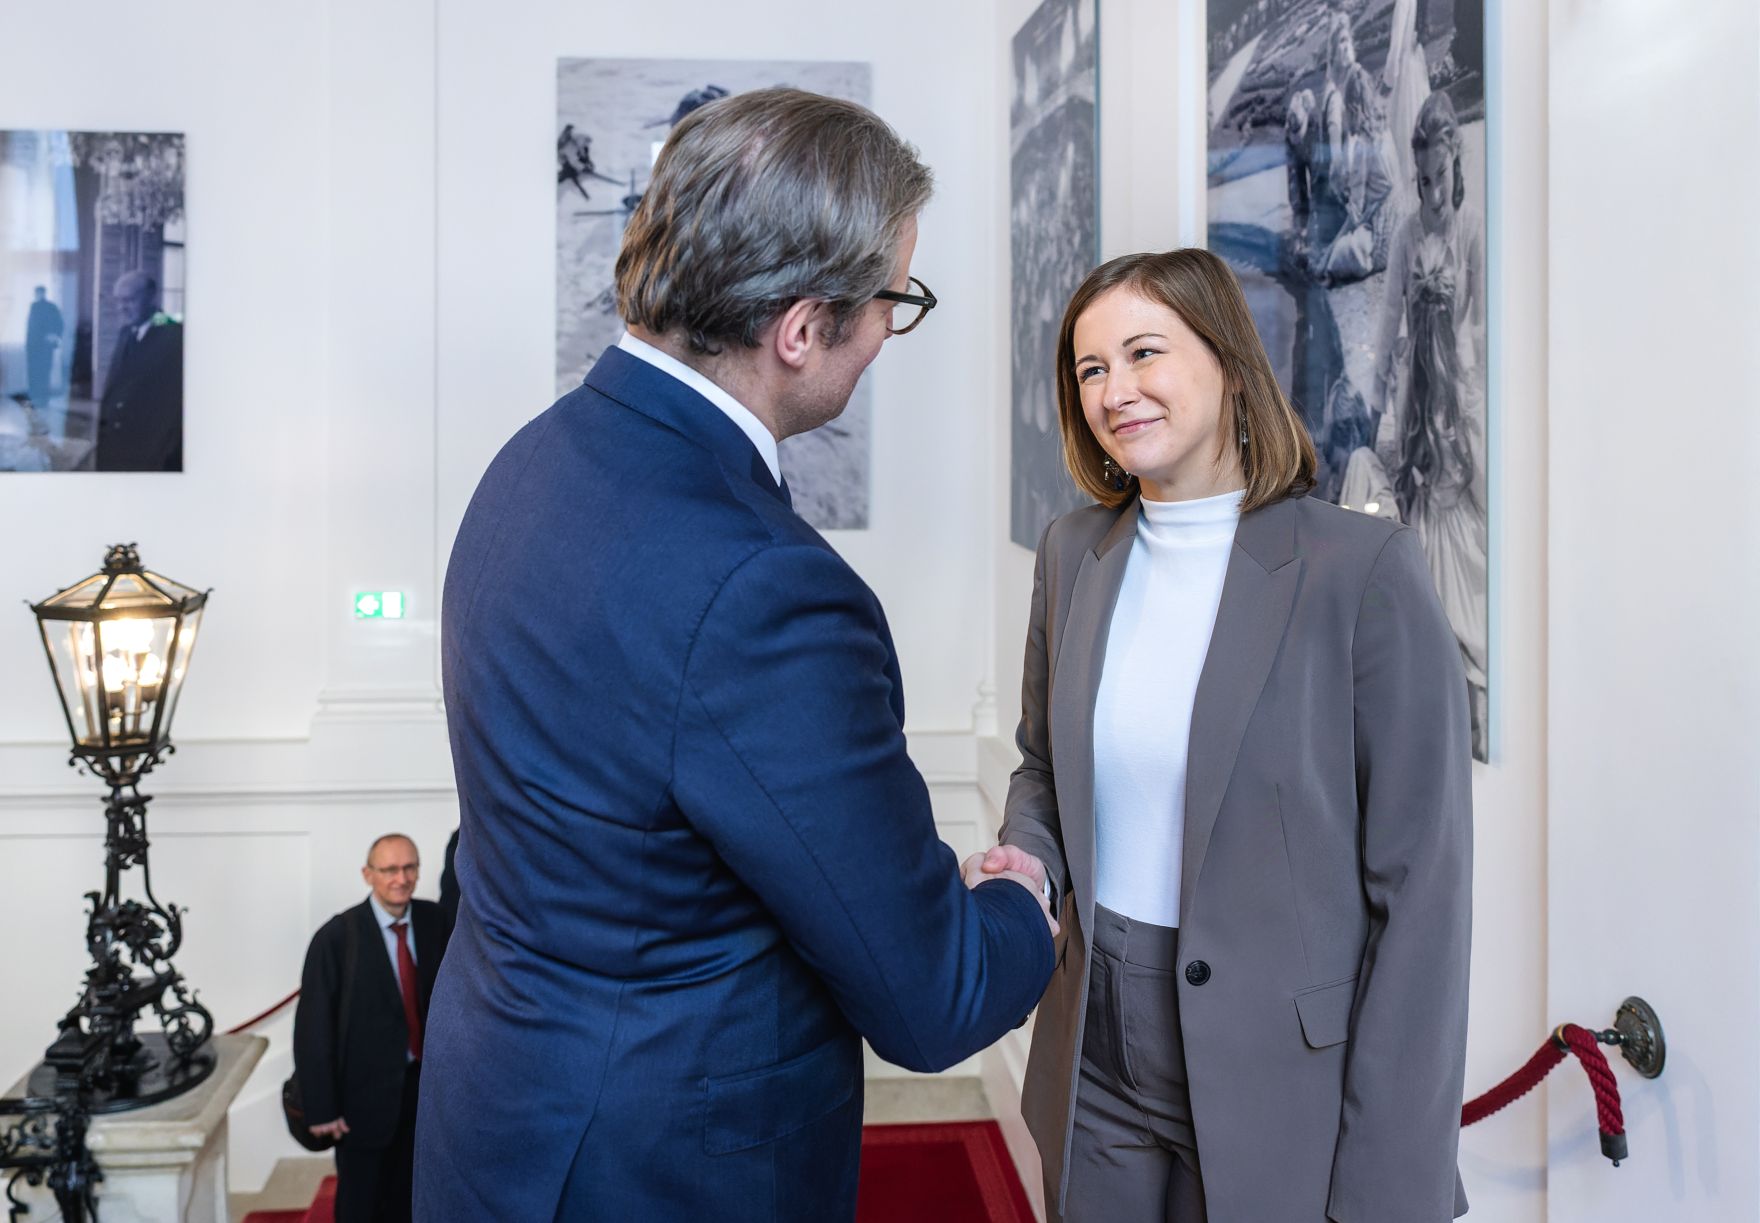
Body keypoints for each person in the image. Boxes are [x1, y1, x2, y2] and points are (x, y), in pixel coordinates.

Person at [416, 88, 1056, 1223]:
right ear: (801, 328)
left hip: (500, 1111)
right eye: (889, 303)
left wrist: (885, 888)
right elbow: (933, 998)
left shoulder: (534, 458)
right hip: (661, 1162)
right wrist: (1018, 904)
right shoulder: (768, 588)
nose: (882, 340)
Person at [979, 248, 1473, 1221]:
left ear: (1227, 361)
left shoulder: (1357, 570)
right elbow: (1043, 764)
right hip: (1093, 1049)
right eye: (1088, 369)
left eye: (1142, 353)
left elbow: (1423, 891)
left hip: (1282, 1073)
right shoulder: (1073, 552)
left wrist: (1389, 1182)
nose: (1113, 389)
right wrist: (1027, 866)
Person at [1351, 89, 1488, 755]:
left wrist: (1466, 406)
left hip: (1455, 401)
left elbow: (1482, 332)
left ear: (1455, 163)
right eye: (1422, 180)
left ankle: (1461, 679)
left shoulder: (1472, 233)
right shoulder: (1409, 232)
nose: (1430, 192)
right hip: (1415, 401)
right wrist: (1378, 402)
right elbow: (1386, 322)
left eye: (1438, 178)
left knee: (1459, 522)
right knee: (1409, 515)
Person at [294, 834, 447, 1223]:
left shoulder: (437, 922)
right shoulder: (336, 938)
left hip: (424, 1095)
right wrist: (323, 1107)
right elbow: (314, 1028)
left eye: (410, 867)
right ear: (368, 874)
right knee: (360, 1204)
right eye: (390, 869)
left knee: (412, 1199)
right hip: (359, 1103)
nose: (401, 878)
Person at [95, 270, 183, 472]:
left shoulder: (174, 336)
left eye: (129, 300)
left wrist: (164, 452)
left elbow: (176, 405)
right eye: (118, 301)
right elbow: (114, 386)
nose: (121, 308)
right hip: (118, 444)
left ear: (151, 297)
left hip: (151, 450)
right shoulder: (126, 332)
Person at [25, 286, 63, 409]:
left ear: (44, 293)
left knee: (44, 372)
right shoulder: (33, 306)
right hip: (33, 346)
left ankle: (43, 399)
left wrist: (54, 336)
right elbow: (30, 328)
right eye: (37, 293)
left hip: (45, 347)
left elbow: (59, 324)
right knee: (33, 373)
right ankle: (34, 398)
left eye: (40, 292)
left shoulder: (51, 307)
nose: (38, 295)